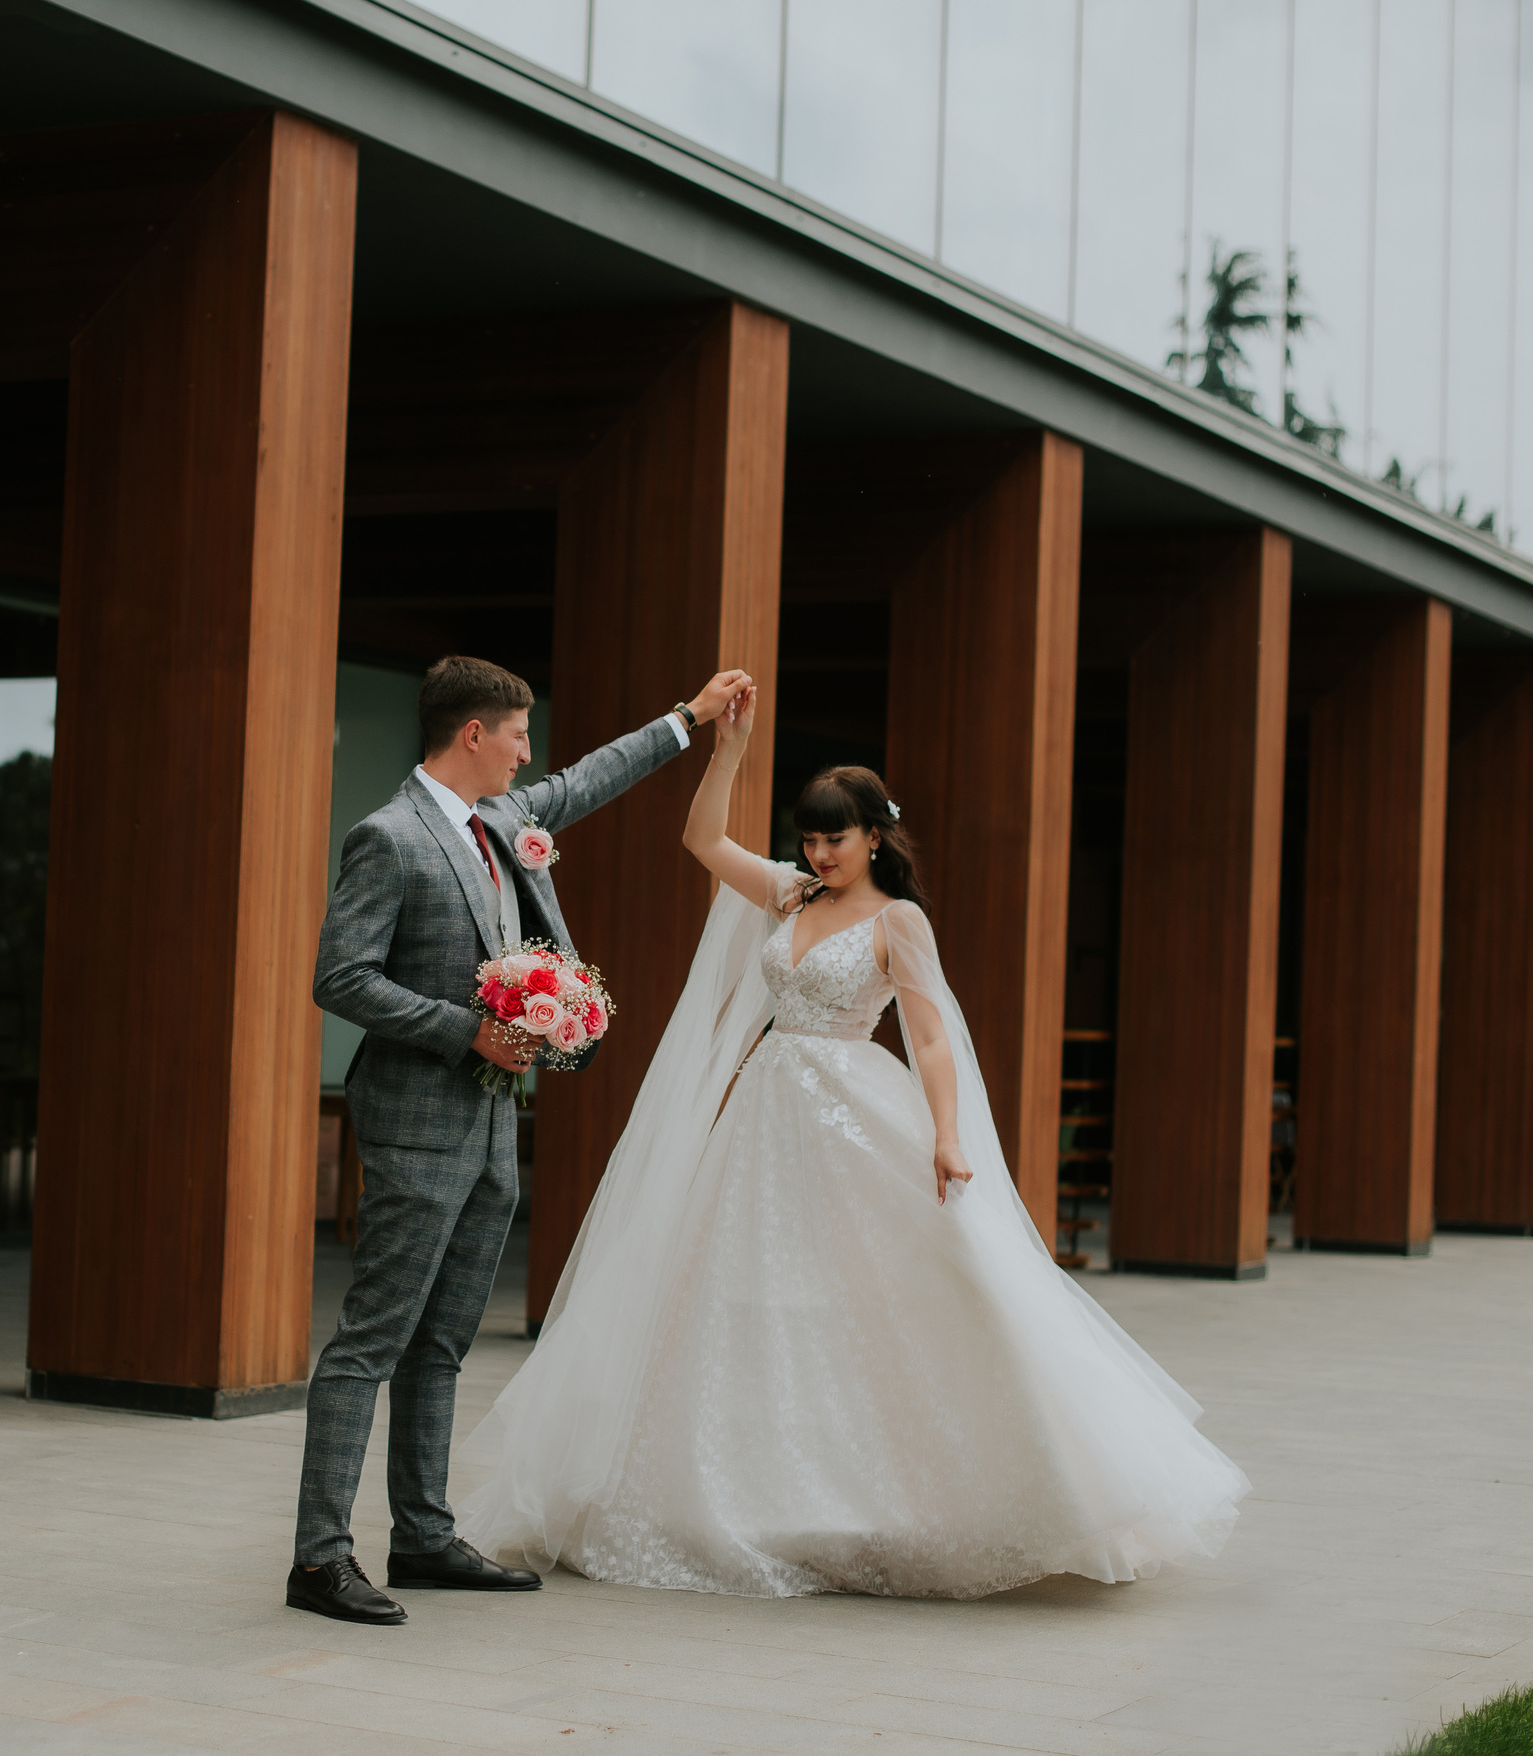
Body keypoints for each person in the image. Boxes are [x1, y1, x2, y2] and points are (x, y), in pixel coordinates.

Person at [458, 679, 1251, 1599]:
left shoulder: (898, 921)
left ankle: (902, 1493)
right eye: (810, 838)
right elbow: (703, 841)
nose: (819, 853)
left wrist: (948, 1136)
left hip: (852, 1109)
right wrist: (729, 751)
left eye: (835, 838)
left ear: (875, 836)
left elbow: (930, 1037)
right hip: (764, 1116)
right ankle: (764, 1494)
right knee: (747, 1294)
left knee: (876, 1296)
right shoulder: (791, 894)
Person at [292, 654, 756, 1626]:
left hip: (494, 1127)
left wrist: (689, 716)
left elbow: (587, 781)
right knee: (371, 1340)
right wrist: (464, 1028)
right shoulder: (390, 837)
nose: (525, 753)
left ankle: (422, 1537)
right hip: (416, 1124)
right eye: (516, 735)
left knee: (441, 1344)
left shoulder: (503, 821)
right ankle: (320, 1558)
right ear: (473, 734)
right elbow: (340, 977)